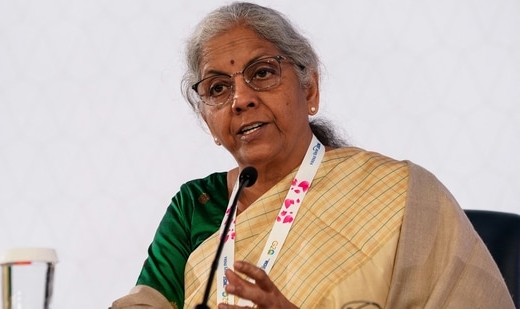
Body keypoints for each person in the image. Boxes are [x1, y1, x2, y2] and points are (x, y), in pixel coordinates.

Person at [111, 2, 514, 309]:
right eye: (217, 88)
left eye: (263, 72)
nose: (241, 99)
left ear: (309, 89)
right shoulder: (195, 207)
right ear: (208, 120)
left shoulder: (400, 194)